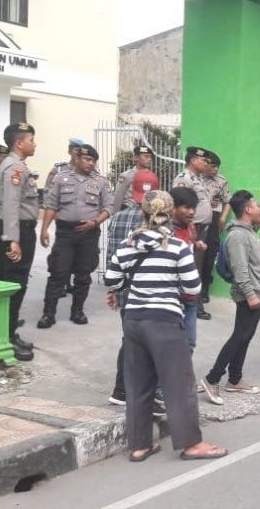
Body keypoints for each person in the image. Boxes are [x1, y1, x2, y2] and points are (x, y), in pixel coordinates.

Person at [104, 190, 227, 462]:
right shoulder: (177, 247)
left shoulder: (127, 244)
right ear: (169, 214)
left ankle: (140, 446)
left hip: (133, 320)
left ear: (143, 213)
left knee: (138, 384)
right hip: (164, 321)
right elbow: (194, 287)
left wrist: (124, 286)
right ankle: (191, 444)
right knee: (179, 382)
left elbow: (111, 279)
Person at [201, 190, 260, 405]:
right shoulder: (238, 236)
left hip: (258, 291)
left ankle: (235, 379)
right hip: (249, 294)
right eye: (256, 204)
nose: (259, 208)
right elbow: (240, 270)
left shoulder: (248, 230)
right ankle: (213, 378)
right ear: (248, 209)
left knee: (245, 336)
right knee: (239, 336)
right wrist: (250, 295)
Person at [38, 144, 112, 328]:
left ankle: (77, 311)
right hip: (65, 233)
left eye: (93, 161)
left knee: (83, 274)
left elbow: (109, 207)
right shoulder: (61, 178)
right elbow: (51, 205)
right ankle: (48, 314)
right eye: (87, 159)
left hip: (89, 233)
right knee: (57, 273)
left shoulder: (101, 181)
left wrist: (95, 222)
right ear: (77, 159)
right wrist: (44, 229)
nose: (90, 163)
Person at [107, 173, 161, 410]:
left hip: (123, 288)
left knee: (129, 339)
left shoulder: (117, 218)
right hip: (146, 292)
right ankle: (141, 394)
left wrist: (113, 289)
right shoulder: (154, 223)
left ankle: (120, 390)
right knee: (148, 344)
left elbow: (112, 257)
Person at [0, 122, 39, 361]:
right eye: (31, 140)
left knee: (19, 283)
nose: (35, 144)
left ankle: (10, 332)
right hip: (18, 233)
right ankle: (6, 337)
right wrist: (13, 240)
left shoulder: (19, 166)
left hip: (24, 231)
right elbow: (11, 206)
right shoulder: (15, 168)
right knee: (14, 284)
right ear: (19, 143)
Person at [173, 146, 213, 320]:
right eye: (203, 160)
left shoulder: (200, 179)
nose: (206, 163)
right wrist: (190, 229)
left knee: (198, 267)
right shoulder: (184, 179)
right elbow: (179, 204)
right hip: (190, 228)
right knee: (191, 267)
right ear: (193, 160)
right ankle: (193, 305)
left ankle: (193, 302)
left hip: (200, 228)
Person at [168, 187, 203, 350]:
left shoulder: (190, 226)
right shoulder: (166, 231)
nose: (191, 212)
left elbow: (189, 244)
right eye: (186, 207)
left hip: (189, 294)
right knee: (170, 345)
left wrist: (197, 244)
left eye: (193, 208)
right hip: (172, 296)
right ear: (173, 208)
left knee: (189, 344)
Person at [200, 151, 231, 306]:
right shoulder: (197, 179)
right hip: (198, 219)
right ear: (205, 165)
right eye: (212, 166)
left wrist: (223, 218)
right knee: (196, 254)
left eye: (217, 167)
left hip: (214, 218)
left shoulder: (221, 181)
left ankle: (205, 288)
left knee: (210, 254)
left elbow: (228, 201)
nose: (215, 170)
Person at [112, 145, 155, 213]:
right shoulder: (127, 175)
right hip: (129, 211)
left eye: (150, 157)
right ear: (136, 158)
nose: (149, 159)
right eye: (146, 156)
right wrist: (115, 215)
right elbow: (118, 196)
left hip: (145, 212)